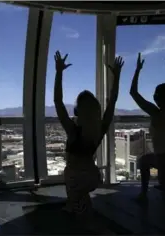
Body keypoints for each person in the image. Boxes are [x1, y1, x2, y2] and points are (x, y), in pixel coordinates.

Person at [53, 51, 123, 231]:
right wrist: (117, 77)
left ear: (77, 112)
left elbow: (58, 103)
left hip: (76, 178)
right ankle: (74, 206)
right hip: (92, 176)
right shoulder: (98, 130)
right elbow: (113, 101)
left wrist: (59, 73)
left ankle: (83, 219)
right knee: (82, 204)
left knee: (84, 218)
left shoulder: (74, 131)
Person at [130, 53, 165, 213]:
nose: (153, 96)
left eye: (156, 93)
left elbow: (133, 92)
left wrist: (137, 70)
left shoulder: (155, 112)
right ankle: (143, 195)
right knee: (144, 162)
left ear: (160, 97)